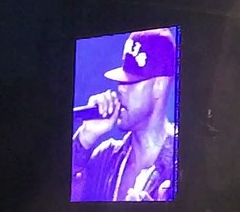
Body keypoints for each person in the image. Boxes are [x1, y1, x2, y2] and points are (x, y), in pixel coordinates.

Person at [72, 28, 178, 202]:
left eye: (132, 81)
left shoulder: (184, 160)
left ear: (159, 85)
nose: (120, 88)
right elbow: (55, 198)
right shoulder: (104, 158)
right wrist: (85, 137)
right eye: (121, 81)